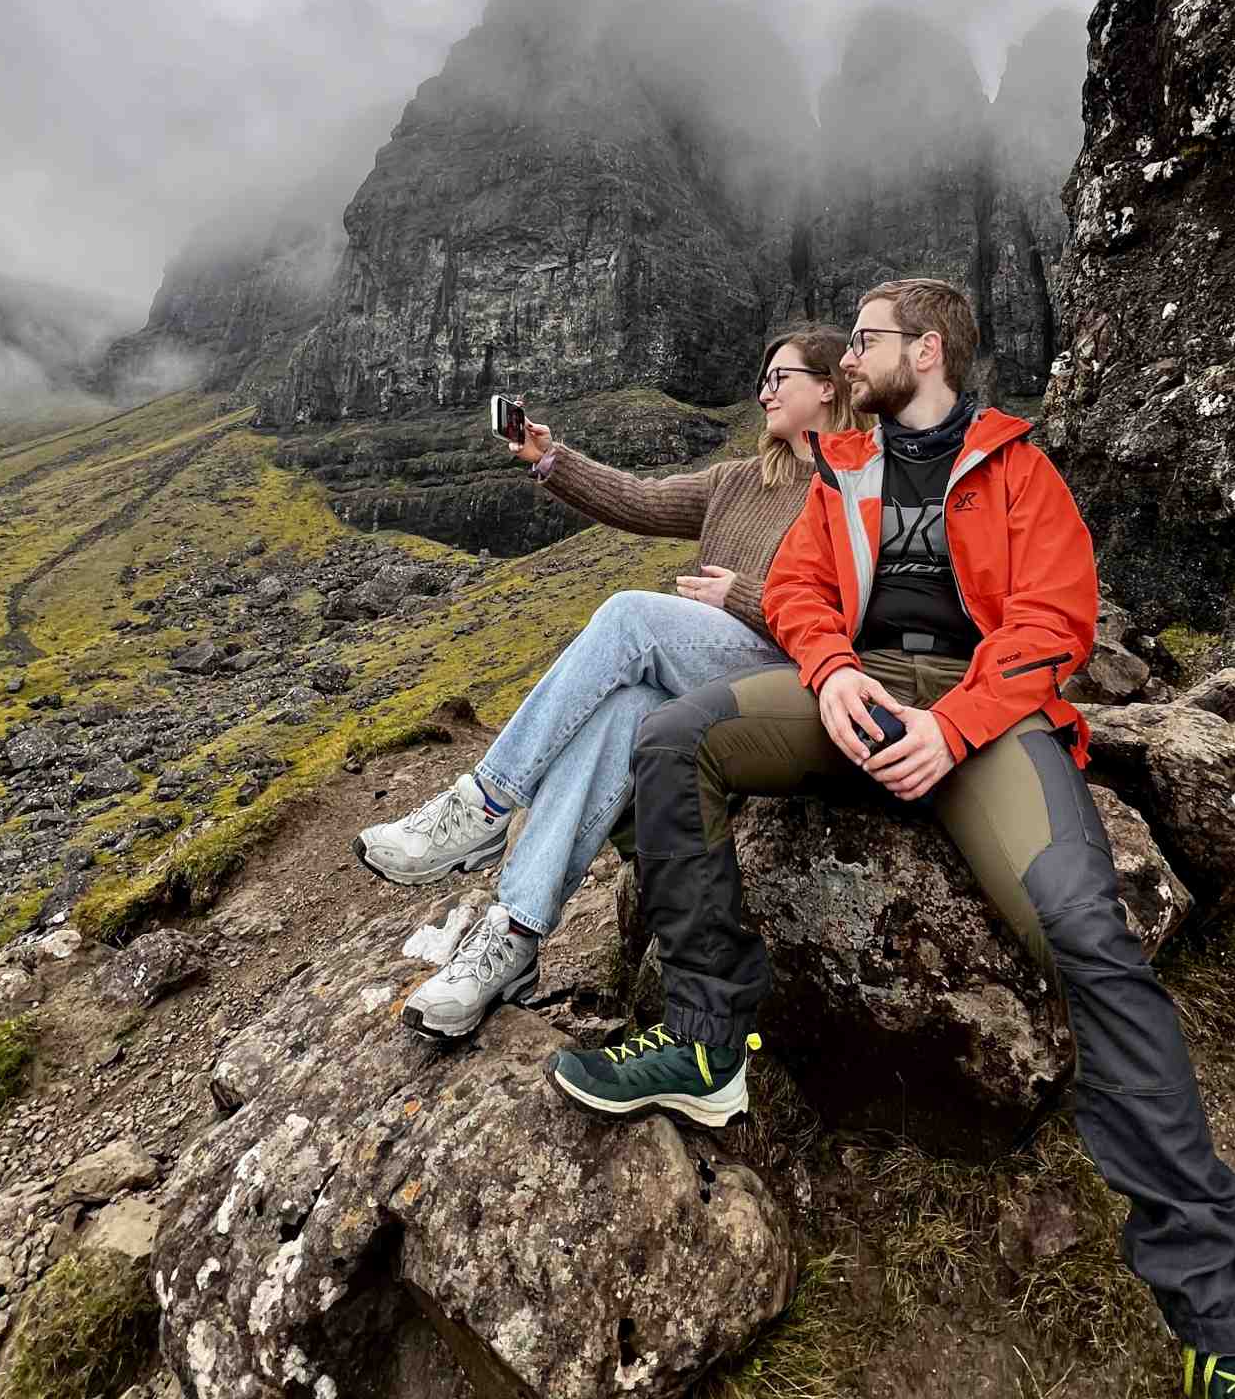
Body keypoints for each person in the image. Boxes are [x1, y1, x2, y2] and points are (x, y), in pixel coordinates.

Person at [550, 278, 1235, 1399]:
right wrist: (832, 668)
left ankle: (1227, 1332)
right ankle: (709, 1042)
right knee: (674, 742)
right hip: (858, 687)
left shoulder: (1018, 467)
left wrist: (952, 728)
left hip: (983, 710)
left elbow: (1057, 621)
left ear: (931, 349)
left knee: (1089, 938)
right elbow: (801, 589)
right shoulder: (843, 468)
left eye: (865, 340)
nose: (850, 359)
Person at [354, 324, 869, 1040]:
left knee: (630, 615)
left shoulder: (858, 483)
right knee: (624, 708)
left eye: (780, 377)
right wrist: (547, 457)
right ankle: (515, 933)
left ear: (829, 387)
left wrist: (743, 598)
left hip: (788, 677)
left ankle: (484, 802)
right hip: (709, 671)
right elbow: (637, 498)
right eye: (762, 379)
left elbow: (860, 609)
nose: (763, 393)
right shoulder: (736, 481)